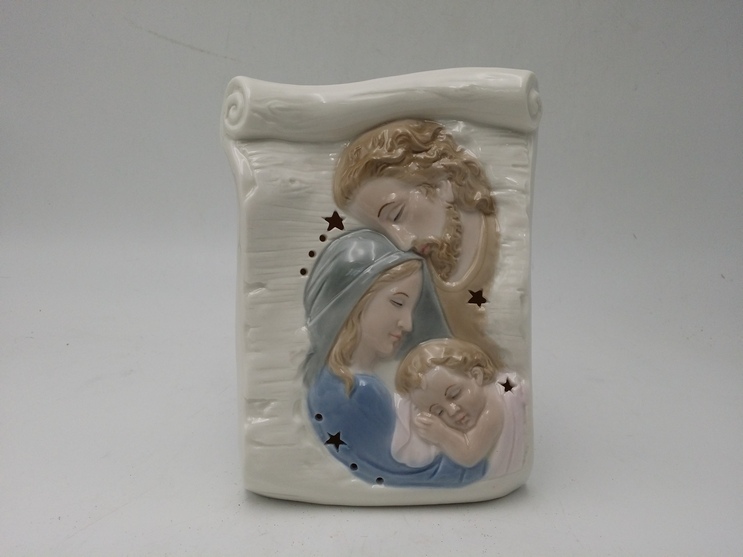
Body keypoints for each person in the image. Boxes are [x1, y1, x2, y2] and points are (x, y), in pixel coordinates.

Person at [303, 229, 487, 487]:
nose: (408, 324)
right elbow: (400, 471)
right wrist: (477, 459)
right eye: (398, 303)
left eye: (412, 308)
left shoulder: (352, 381)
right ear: (356, 300)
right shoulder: (355, 391)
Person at [333, 119, 504, 371]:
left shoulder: (505, 255)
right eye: (382, 233)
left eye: (397, 214)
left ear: (442, 183)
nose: (403, 242)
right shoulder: (420, 281)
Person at [393, 338, 528, 477]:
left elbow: (470, 456)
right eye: (439, 411)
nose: (452, 411)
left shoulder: (492, 409)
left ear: (476, 375)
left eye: (454, 395)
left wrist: (442, 434)